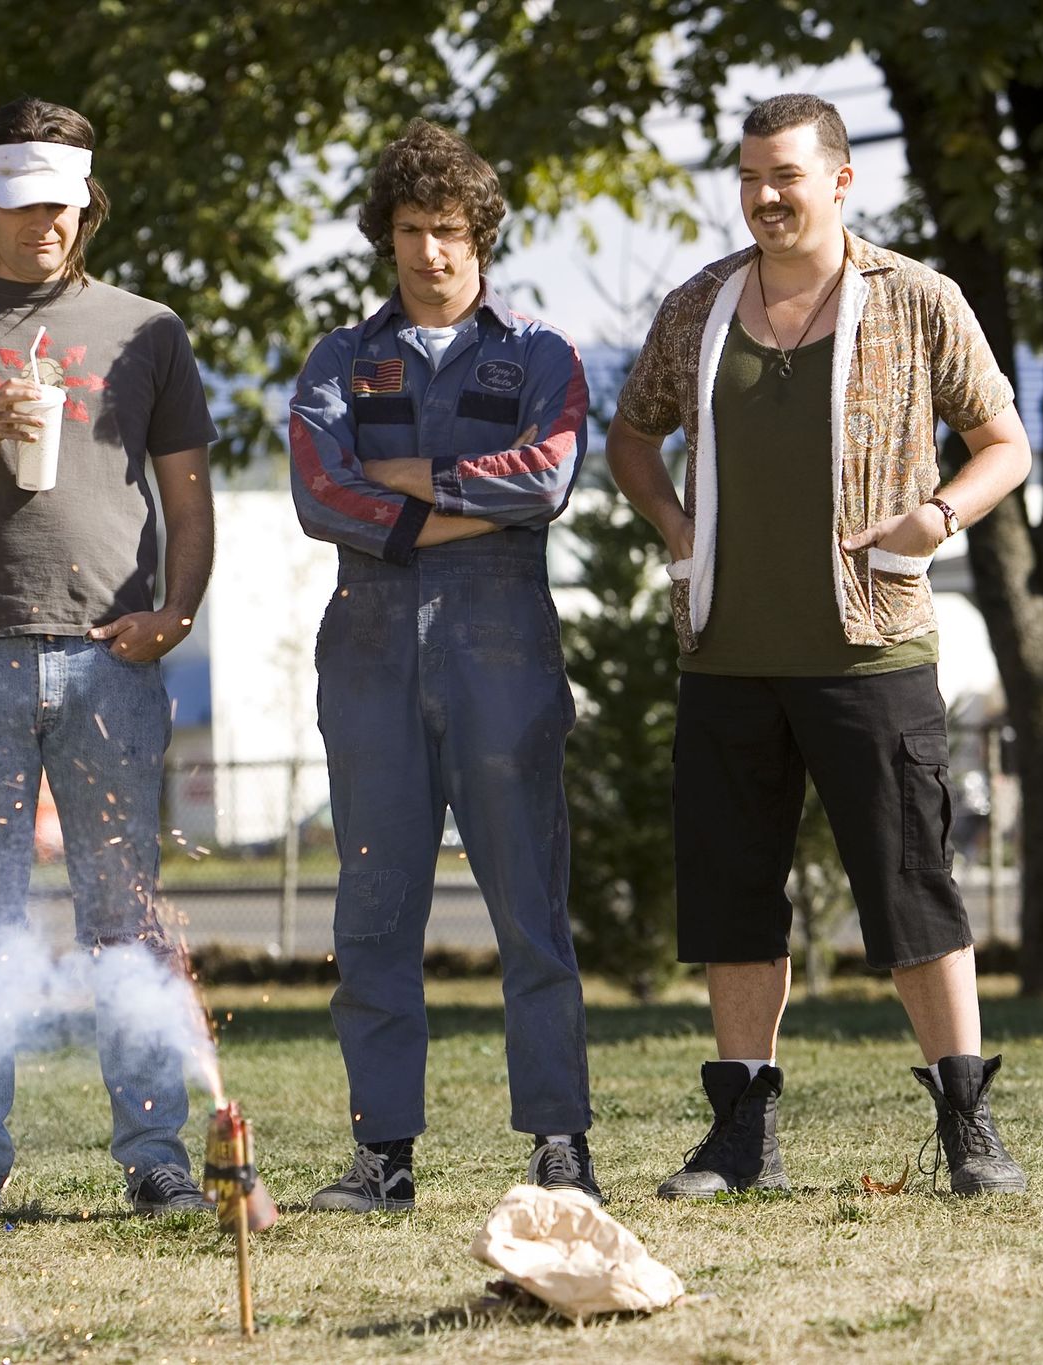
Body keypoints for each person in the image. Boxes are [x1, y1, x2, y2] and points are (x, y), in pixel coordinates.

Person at [605, 93, 1033, 1197]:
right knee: (732, 895)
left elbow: (1002, 443)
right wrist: (672, 523)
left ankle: (966, 1128)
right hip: (724, 656)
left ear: (839, 181)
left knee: (910, 890)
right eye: (748, 176)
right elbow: (631, 431)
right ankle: (739, 1137)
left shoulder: (913, 298)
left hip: (869, 651)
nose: (763, 195)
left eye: (784, 175)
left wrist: (936, 520)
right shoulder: (698, 303)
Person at [0, 96, 219, 1229]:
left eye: (62, 206)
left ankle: (154, 1157)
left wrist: (179, 609)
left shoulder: (147, 329)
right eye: (22, 206)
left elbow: (188, 493)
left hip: (112, 661)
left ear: (85, 203)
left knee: (126, 918)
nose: (44, 226)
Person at [288, 119, 598, 1212]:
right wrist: (455, 501)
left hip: (501, 655)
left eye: (451, 233)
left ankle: (559, 1142)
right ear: (386, 238)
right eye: (412, 231)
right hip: (366, 658)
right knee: (371, 913)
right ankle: (383, 1154)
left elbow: (545, 480)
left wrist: (405, 479)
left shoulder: (541, 355)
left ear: (482, 240)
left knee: (529, 907)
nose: (431, 253)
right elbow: (318, 496)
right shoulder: (336, 358)